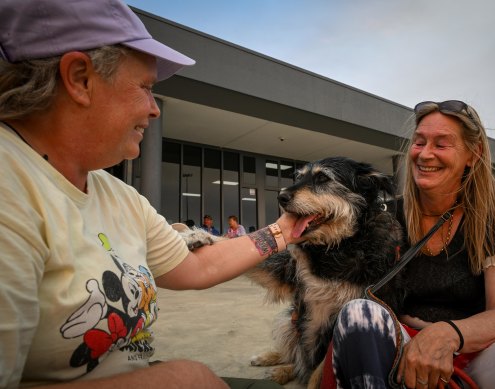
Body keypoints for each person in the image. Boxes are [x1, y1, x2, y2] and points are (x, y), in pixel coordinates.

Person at [0, 1, 305, 388]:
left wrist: (282, 231)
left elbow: (197, 266)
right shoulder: (10, 186)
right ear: (79, 78)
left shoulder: (116, 194)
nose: (154, 109)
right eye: (145, 87)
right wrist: (176, 380)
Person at [326, 100, 495, 388]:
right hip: (396, 349)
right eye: (419, 142)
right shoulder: (386, 216)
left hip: (471, 352)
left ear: (473, 154)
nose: (425, 154)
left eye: (441, 144)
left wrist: (446, 335)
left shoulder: (491, 219)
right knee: (359, 314)